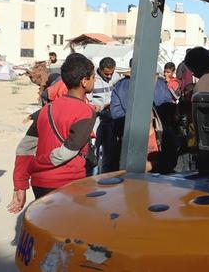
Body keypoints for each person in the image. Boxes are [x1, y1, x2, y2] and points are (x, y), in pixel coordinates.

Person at [28, 54, 96, 198]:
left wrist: (20, 182)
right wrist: (36, 164)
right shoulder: (86, 111)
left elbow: (24, 147)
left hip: (40, 182)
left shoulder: (46, 109)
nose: (94, 81)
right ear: (84, 81)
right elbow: (68, 151)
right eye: (93, 77)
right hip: (66, 183)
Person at [107, 59, 173, 172]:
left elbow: (116, 114)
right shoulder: (161, 85)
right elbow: (168, 109)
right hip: (157, 138)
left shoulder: (121, 85)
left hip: (131, 139)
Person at [90, 57, 120, 173]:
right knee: (95, 151)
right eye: (106, 74)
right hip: (97, 121)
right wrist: (102, 106)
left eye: (111, 74)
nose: (109, 77)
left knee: (110, 152)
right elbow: (88, 101)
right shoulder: (93, 79)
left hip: (112, 120)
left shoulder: (116, 77)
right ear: (100, 70)